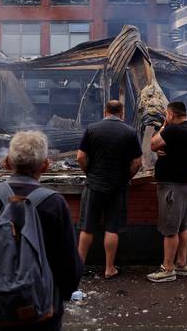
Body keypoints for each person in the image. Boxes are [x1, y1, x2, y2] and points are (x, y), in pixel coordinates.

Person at [0, 131, 82, 331]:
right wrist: (60, 295)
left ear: (7, 163)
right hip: (43, 311)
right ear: (45, 165)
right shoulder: (55, 204)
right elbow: (69, 264)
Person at [76, 100, 143, 279]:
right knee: (112, 228)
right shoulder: (130, 132)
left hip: (94, 185)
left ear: (105, 111)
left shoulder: (91, 129)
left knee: (87, 227)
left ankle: (79, 267)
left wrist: (90, 172)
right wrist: (126, 177)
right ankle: (109, 268)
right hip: (118, 186)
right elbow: (138, 162)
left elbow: (81, 157)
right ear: (122, 113)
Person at [146, 101, 187, 283]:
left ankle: (167, 268)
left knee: (170, 230)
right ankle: (182, 264)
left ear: (170, 114)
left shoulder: (174, 130)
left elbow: (152, 145)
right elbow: (171, 148)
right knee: (182, 226)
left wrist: (163, 127)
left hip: (173, 188)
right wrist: (164, 147)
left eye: (166, 114)